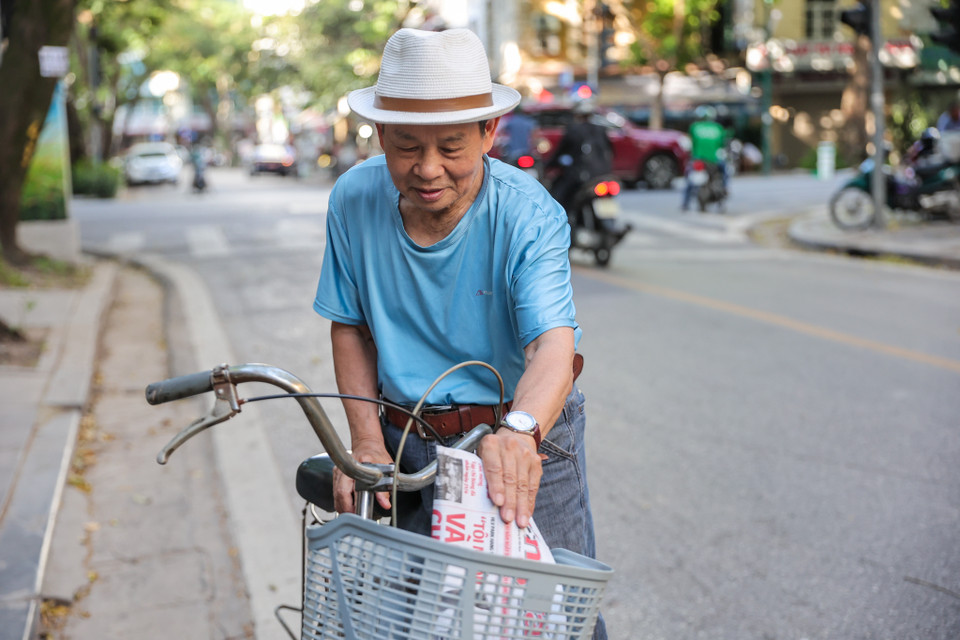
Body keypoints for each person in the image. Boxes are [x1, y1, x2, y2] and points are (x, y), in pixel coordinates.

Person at [312, 28, 606, 639]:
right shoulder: (353, 199)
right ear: (381, 136)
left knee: (552, 619)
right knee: (419, 621)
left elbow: (552, 343)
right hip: (405, 438)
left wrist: (520, 433)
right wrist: (365, 439)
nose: (427, 170)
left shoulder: (528, 214)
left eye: (451, 147)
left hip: (524, 442)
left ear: (488, 134)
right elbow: (350, 326)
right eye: (406, 146)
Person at [545, 100, 613, 211]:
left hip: (581, 176)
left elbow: (560, 152)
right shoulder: (601, 129)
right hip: (604, 175)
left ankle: (569, 224)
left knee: (558, 197)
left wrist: (549, 165)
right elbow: (610, 151)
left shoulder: (573, 130)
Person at [681, 105, 729, 211]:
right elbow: (722, 145)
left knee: (690, 179)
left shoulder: (694, 127)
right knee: (724, 174)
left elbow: (690, 144)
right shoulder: (718, 128)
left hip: (698, 159)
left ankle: (685, 203)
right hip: (714, 160)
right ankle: (725, 191)